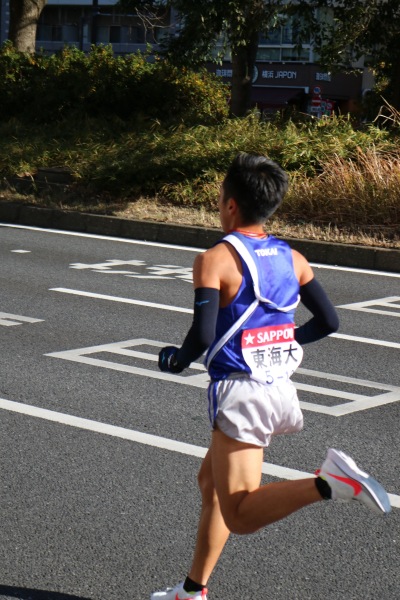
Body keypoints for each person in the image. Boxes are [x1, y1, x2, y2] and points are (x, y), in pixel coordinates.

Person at [152, 153, 391, 600]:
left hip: (243, 396)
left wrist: (175, 360)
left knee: (239, 513)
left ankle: (330, 483)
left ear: (229, 205)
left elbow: (201, 336)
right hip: (277, 388)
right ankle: (192, 591)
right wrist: (285, 339)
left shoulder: (214, 260)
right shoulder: (293, 258)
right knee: (212, 485)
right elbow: (330, 322)